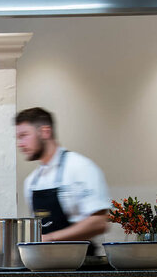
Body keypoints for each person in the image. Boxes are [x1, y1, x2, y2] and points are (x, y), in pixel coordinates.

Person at [15, 107, 110, 256]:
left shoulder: (80, 167)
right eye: (18, 138)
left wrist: (51, 238)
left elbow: (99, 222)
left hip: (82, 265)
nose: (20, 144)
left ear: (45, 132)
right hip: (45, 263)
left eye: (24, 135)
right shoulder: (31, 181)